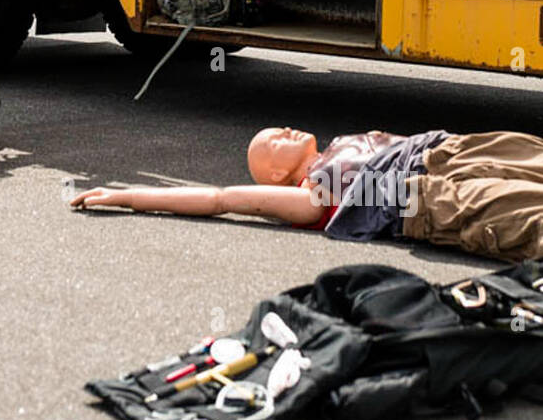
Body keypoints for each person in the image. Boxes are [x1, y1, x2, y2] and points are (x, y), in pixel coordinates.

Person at [70, 126, 543, 262]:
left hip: (445, 150)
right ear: (273, 174)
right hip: (421, 194)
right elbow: (218, 199)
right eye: (274, 138)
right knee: (521, 215)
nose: (285, 129)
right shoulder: (308, 195)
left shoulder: (335, 147)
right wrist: (124, 194)